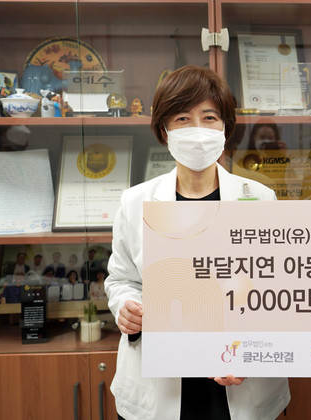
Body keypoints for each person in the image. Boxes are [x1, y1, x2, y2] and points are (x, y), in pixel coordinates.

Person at [104, 65, 290, 420]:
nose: (198, 131)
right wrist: (126, 305)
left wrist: (252, 351)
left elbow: (278, 291)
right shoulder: (135, 202)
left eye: (209, 117)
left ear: (225, 128)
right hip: (160, 378)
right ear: (164, 130)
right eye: (183, 119)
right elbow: (121, 279)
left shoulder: (260, 199)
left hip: (239, 377)